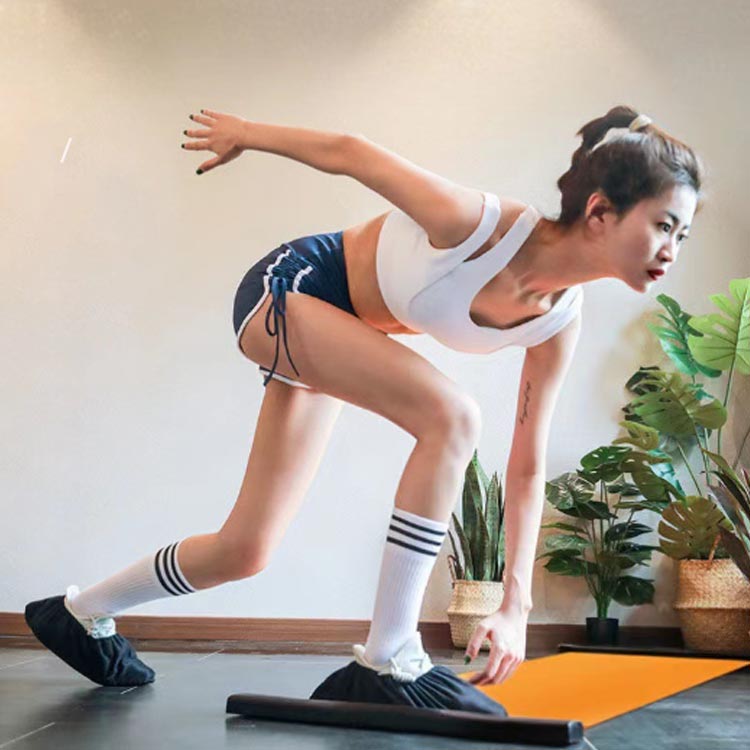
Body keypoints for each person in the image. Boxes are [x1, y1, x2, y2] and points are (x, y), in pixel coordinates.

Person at [25, 105, 704, 711]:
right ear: (599, 212)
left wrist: (516, 605)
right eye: (663, 225)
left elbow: (526, 465)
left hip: (337, 331)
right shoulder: (481, 226)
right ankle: (390, 653)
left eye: (683, 235)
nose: (671, 250)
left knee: (245, 549)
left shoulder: (558, 321)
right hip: (289, 286)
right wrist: (244, 134)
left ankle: (79, 613)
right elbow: (352, 152)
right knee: (452, 416)